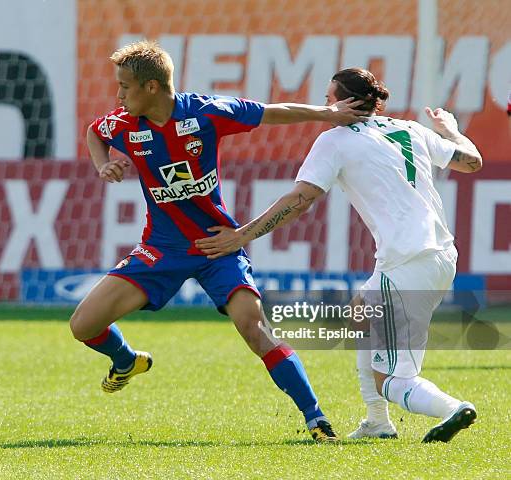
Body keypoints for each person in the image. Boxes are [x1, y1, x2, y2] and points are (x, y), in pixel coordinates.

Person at [69, 40, 368, 442]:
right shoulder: (124, 122)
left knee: (256, 329)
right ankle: (126, 361)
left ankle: (316, 420)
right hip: (161, 248)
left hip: (217, 246)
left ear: (153, 87)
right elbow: (94, 132)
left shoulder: (205, 112)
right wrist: (104, 164)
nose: (119, 96)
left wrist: (328, 113)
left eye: (125, 86)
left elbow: (270, 112)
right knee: (82, 325)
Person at [196, 67, 483, 443]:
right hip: (440, 254)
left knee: (393, 380)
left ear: (346, 102)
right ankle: (377, 423)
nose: (324, 104)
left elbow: (300, 201)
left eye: (329, 97)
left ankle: (452, 408)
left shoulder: (334, 141)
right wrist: (450, 129)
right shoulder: (410, 129)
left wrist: (240, 237)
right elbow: (471, 161)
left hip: (408, 261)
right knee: (361, 310)